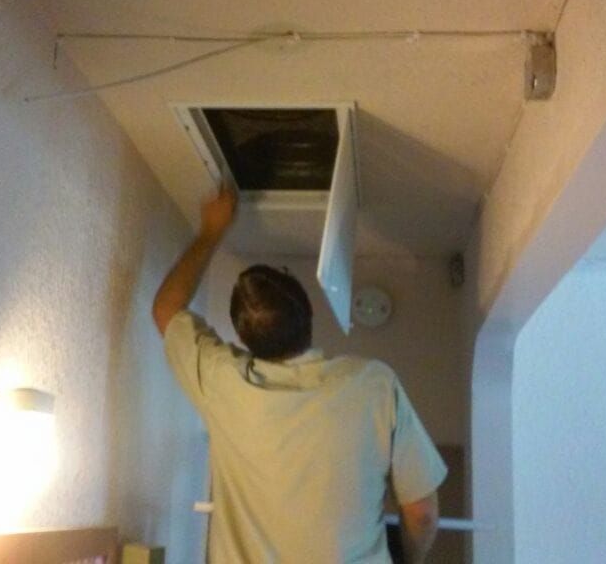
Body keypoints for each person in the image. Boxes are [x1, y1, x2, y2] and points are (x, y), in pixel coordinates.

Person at [152, 185, 446, 563]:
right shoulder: (375, 384)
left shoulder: (220, 380)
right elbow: (422, 515)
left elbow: (166, 309)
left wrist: (211, 232)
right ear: (308, 314)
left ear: (243, 339)